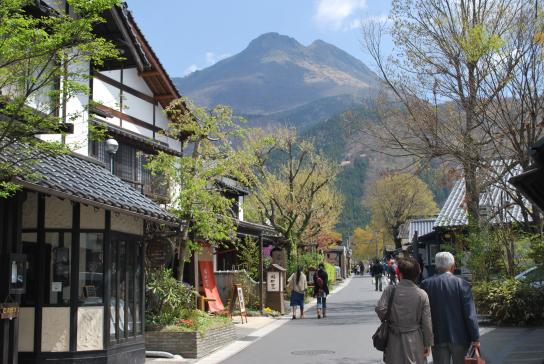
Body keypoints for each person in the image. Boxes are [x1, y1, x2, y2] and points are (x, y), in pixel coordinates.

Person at [421, 252, 480, 364]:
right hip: (460, 337)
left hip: (437, 336)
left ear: (436, 267)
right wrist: (475, 337)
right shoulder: (462, 284)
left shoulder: (426, 284)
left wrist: (424, 339)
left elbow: (423, 314)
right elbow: (470, 314)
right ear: (453, 266)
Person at [375, 257, 433, 364]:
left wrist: (390, 318)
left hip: (394, 337)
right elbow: (427, 323)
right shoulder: (422, 294)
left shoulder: (390, 290)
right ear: (417, 274)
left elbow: (380, 308)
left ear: (400, 273)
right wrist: (428, 344)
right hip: (415, 338)